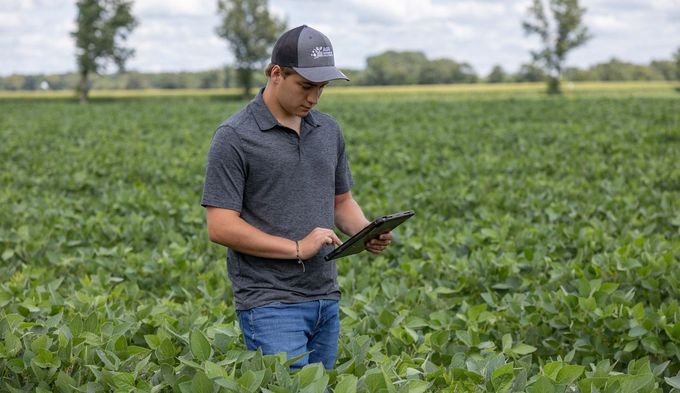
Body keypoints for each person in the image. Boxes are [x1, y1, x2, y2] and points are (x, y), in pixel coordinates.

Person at [201, 25, 392, 370]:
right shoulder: (234, 137)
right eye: (305, 86)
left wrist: (366, 231)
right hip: (269, 303)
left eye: (322, 87)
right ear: (277, 73)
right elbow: (221, 226)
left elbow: (341, 203)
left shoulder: (328, 130)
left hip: (325, 297)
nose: (314, 98)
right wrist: (297, 248)